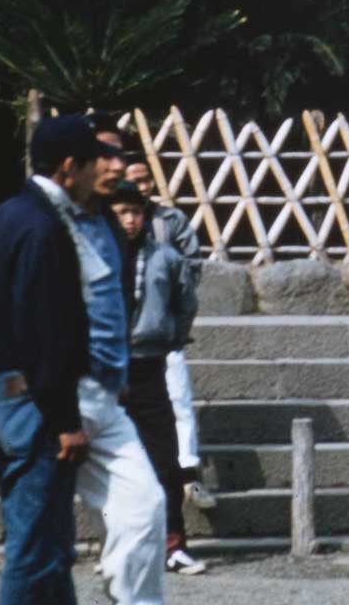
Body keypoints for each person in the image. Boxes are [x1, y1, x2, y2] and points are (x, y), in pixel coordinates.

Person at [0, 114, 165, 605]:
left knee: (136, 510)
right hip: (40, 403)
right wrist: (61, 416)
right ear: (69, 166)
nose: (114, 164)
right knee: (36, 552)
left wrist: (109, 372)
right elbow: (35, 328)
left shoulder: (91, 218)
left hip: (88, 396)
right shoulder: (33, 223)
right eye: (102, 155)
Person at [107, 181, 207, 574]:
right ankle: (119, 546)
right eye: (120, 213)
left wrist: (171, 339)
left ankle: (173, 544)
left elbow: (186, 302)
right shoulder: (95, 258)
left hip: (149, 365)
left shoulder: (165, 257)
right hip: (107, 366)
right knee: (111, 462)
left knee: (164, 460)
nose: (129, 220)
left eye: (135, 212)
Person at [120, 159, 214, 513]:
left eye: (145, 181)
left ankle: (188, 470)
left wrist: (171, 318)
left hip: (162, 331)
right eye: (134, 181)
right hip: (124, 343)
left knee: (180, 399)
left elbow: (190, 265)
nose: (142, 187)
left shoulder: (170, 221)